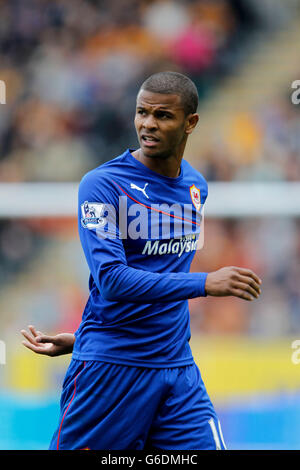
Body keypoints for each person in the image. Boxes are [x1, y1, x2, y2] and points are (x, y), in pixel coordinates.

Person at [21, 71, 261, 450]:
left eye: (162, 115)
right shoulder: (102, 185)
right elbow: (112, 279)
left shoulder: (196, 186)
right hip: (111, 371)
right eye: (141, 112)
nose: (148, 124)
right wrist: (205, 283)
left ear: (190, 123)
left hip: (176, 368)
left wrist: (86, 337)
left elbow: (160, 272)